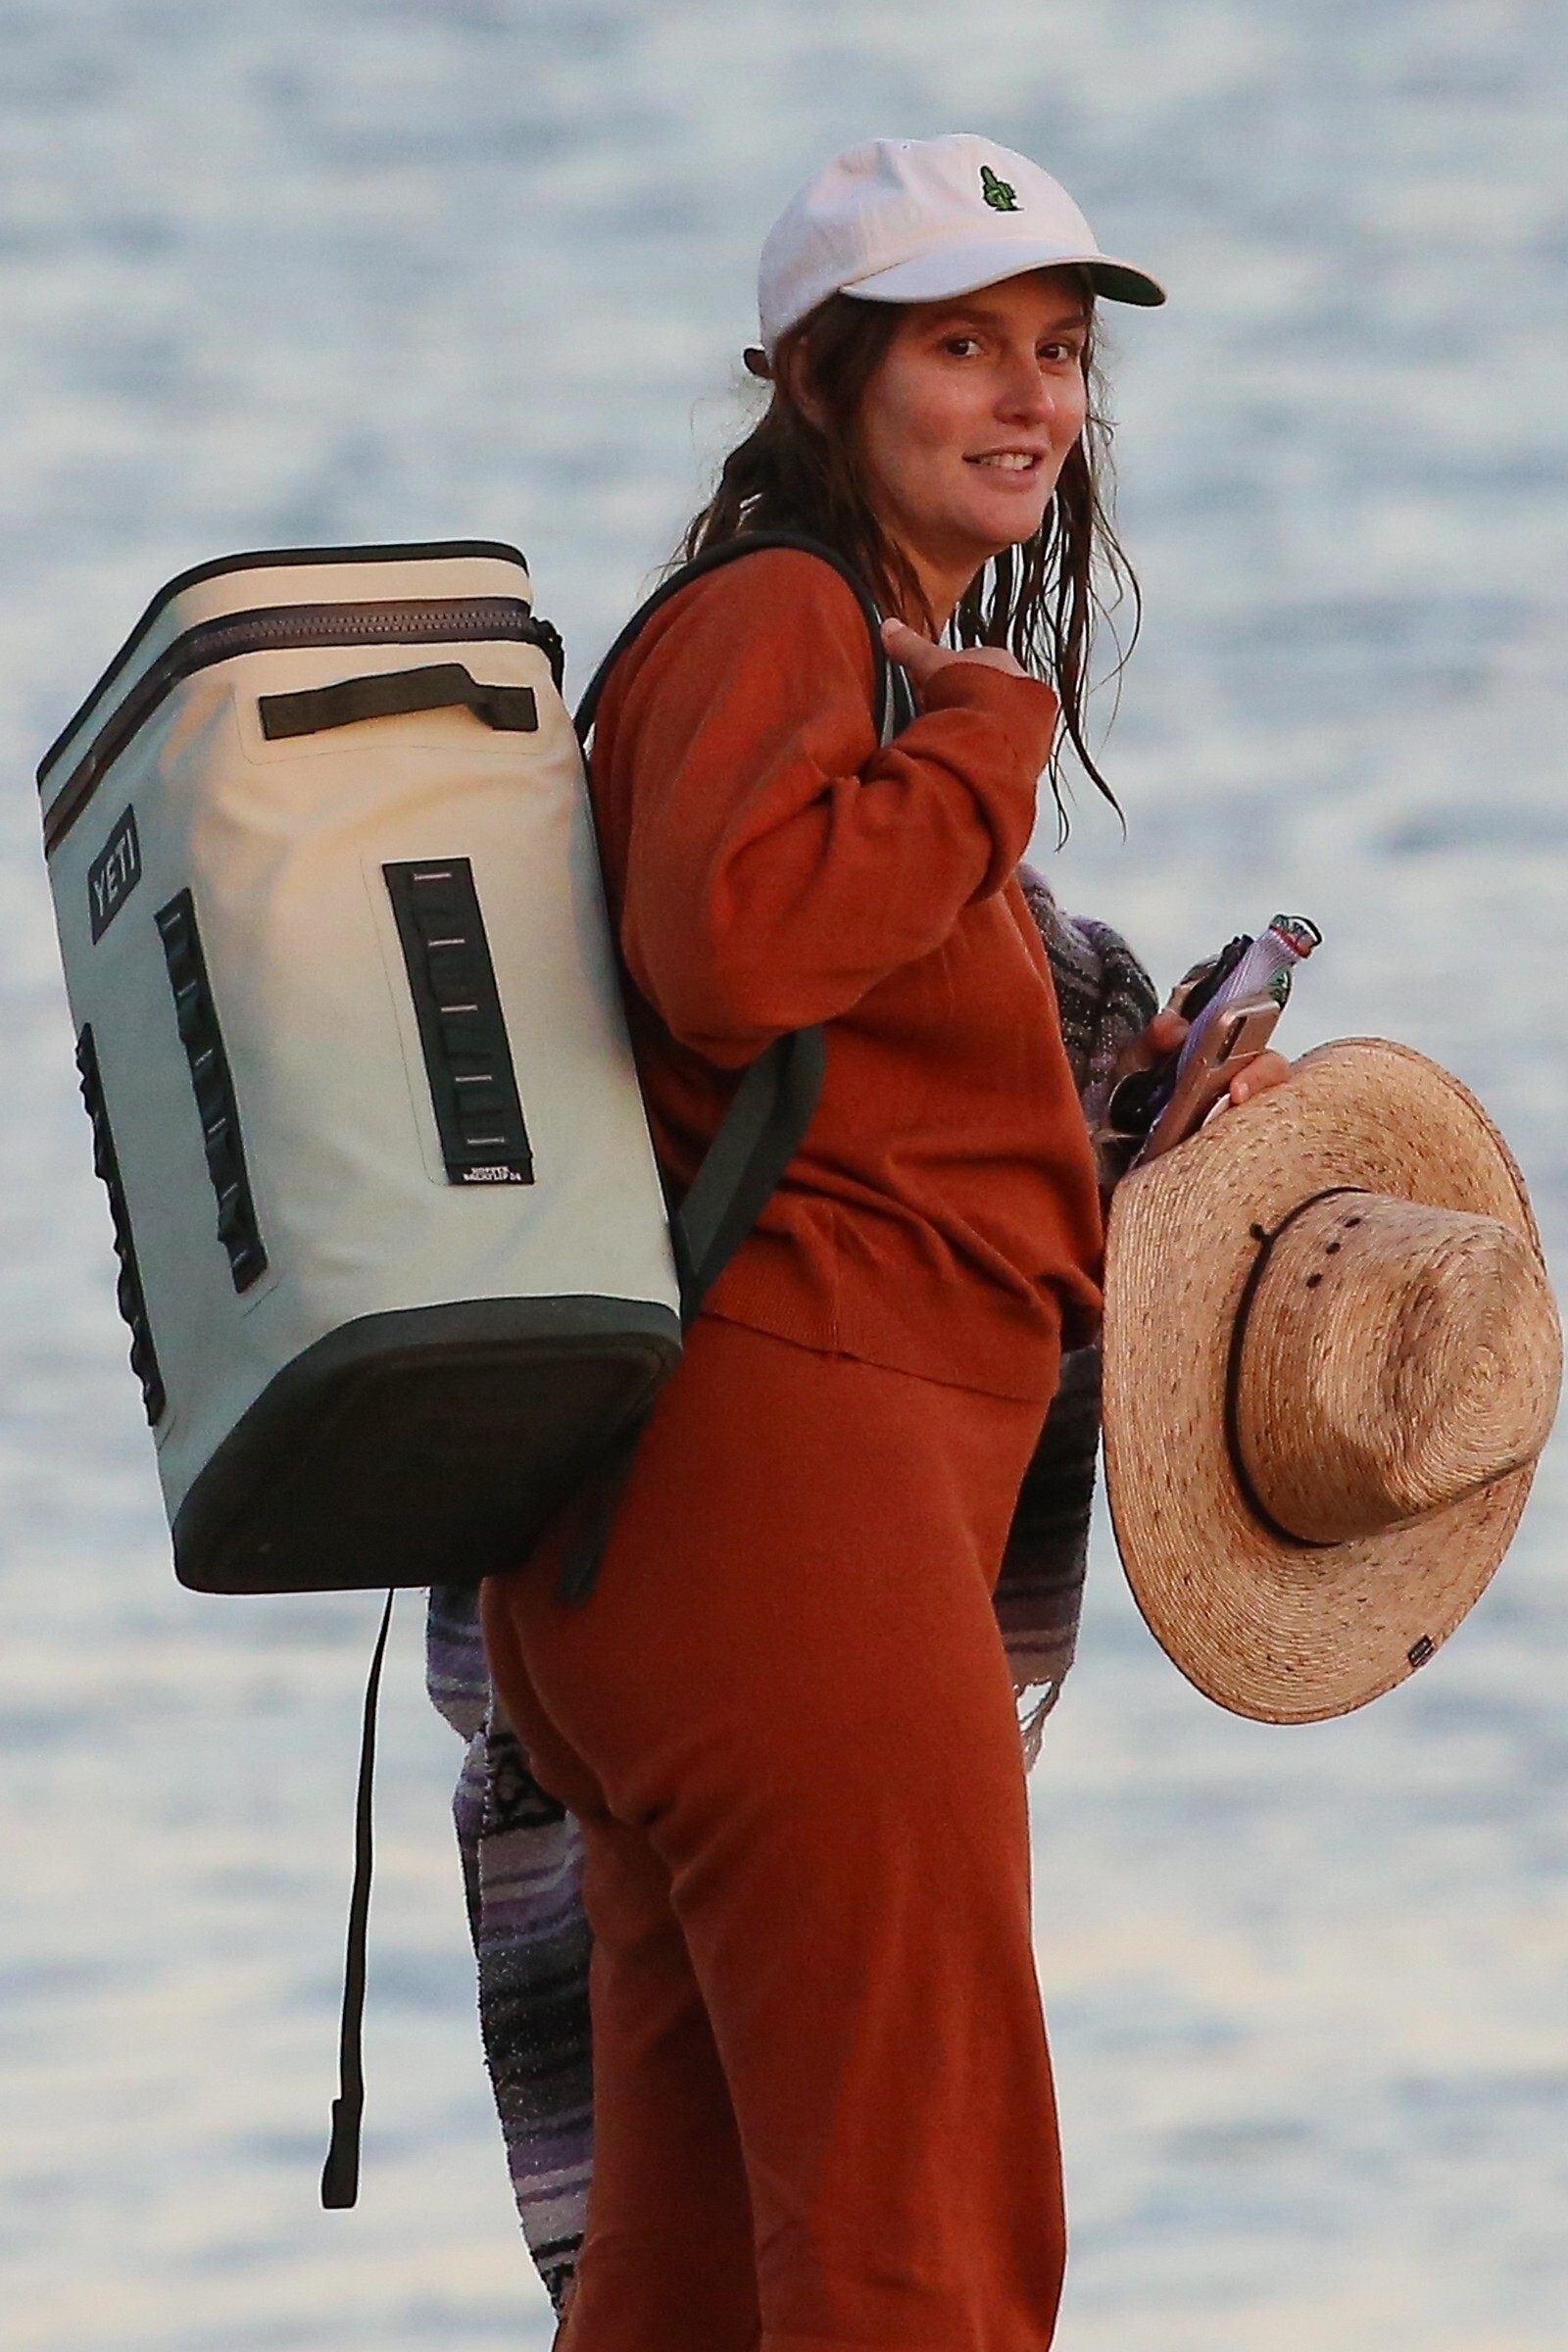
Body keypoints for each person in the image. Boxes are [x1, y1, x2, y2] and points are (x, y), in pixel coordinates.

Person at [477, 132, 1289, 2350]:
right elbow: (736, 952)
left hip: (712, 1527)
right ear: (817, 376)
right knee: (924, 2239)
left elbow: (856, 1114)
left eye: (1059, 353)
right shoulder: (781, 619)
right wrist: (994, 741)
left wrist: (1130, 1145)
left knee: (694, 2281)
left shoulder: (850, 660)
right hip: (787, 1513)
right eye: (962, 347)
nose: (1031, 398)